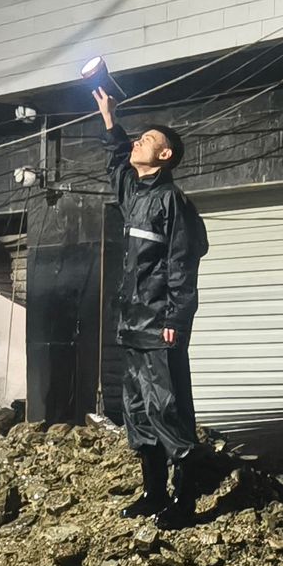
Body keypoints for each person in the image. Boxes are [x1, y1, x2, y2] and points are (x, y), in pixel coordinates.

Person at [93, 81, 210, 524]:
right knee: (138, 409)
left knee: (168, 406)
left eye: (149, 139)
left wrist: (176, 318)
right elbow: (115, 164)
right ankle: (153, 493)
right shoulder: (134, 195)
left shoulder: (172, 201)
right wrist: (110, 118)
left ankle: (185, 501)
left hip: (160, 325)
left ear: (166, 156)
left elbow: (183, 265)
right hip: (133, 323)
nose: (138, 141)